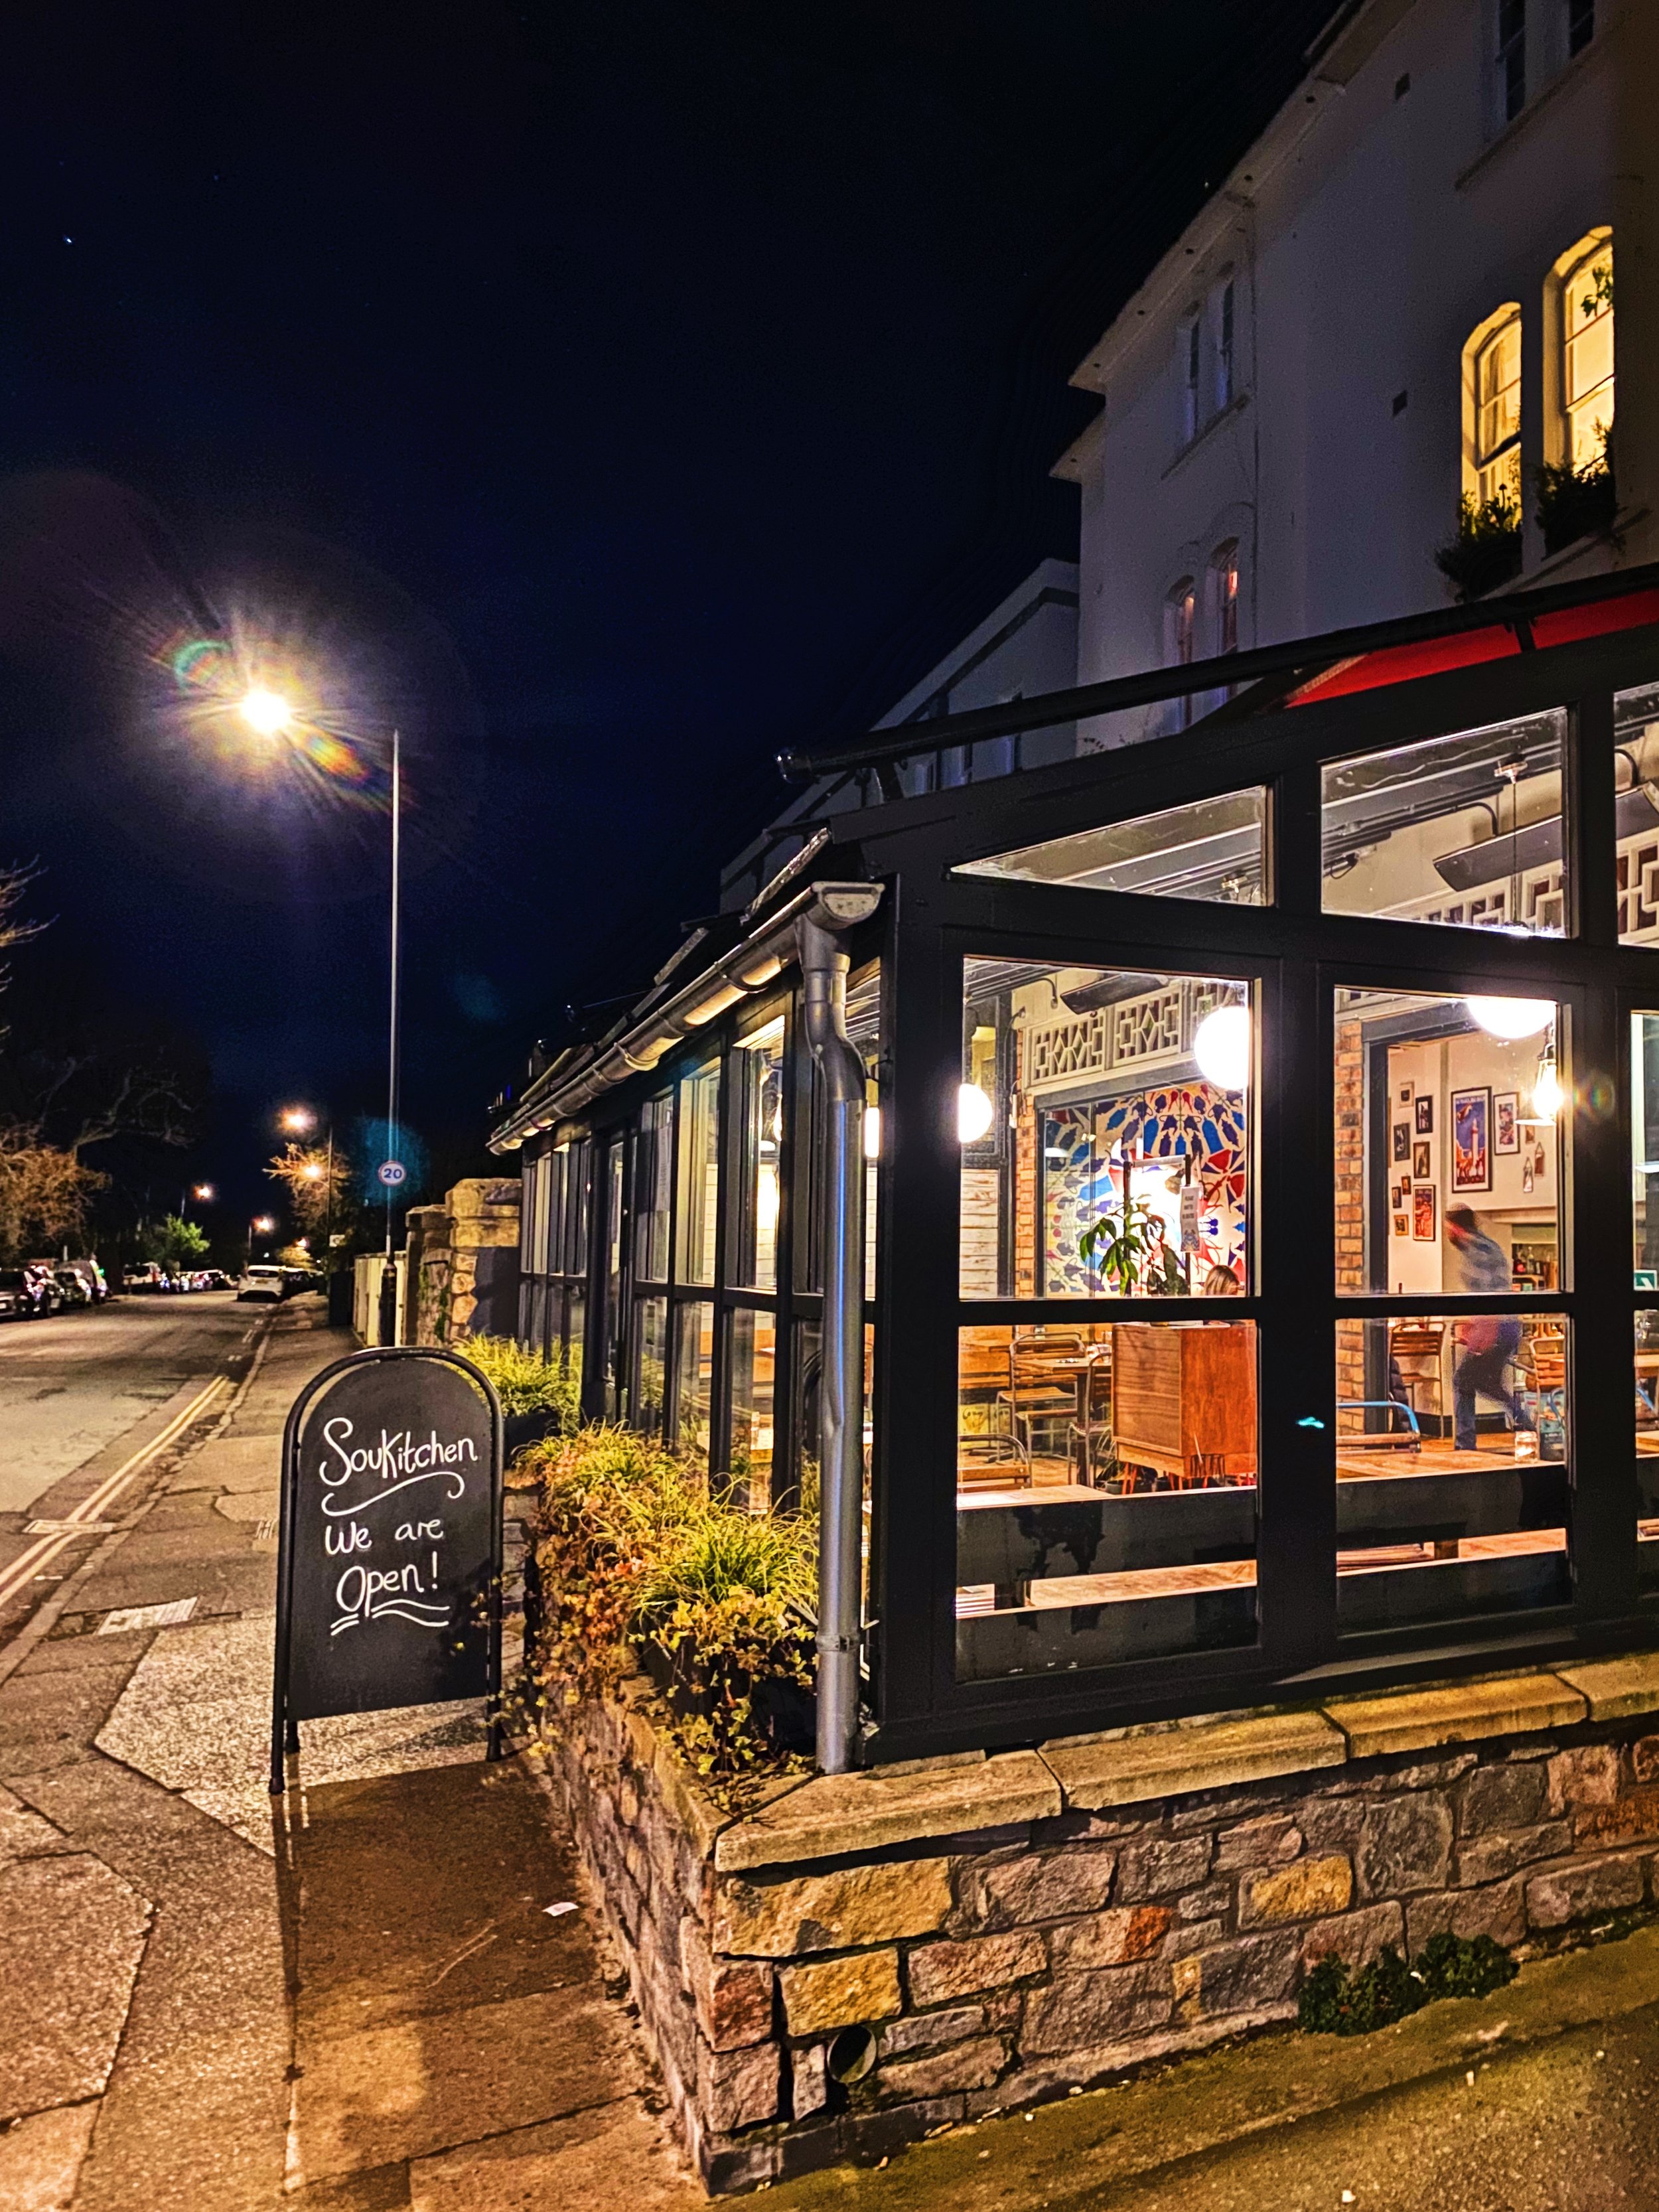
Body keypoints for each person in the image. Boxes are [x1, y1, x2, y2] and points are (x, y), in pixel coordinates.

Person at [1444, 1205, 1534, 1452]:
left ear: (1456, 1227)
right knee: (1485, 1383)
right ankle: (1525, 1425)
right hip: (1507, 1325)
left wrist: (1482, 1331)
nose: (1447, 1233)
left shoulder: (1476, 1250)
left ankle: (1465, 1444)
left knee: (1464, 1380)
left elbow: (1486, 1295)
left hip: (1496, 1326)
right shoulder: (1488, 1245)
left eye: (1449, 1228)